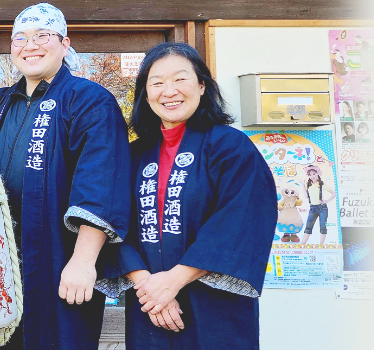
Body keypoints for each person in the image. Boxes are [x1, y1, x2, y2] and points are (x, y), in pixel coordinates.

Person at [0, 3, 131, 348]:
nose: (30, 45)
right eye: (20, 37)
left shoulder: (90, 101)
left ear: (64, 45)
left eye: (43, 36)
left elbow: (101, 185)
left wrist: (83, 262)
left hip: (58, 260)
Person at [97, 42, 277, 349]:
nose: (169, 91)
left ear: (202, 85)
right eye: (157, 83)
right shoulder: (134, 154)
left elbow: (240, 219)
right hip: (149, 307)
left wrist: (173, 281)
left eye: (180, 79)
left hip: (214, 305)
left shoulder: (231, 147)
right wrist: (150, 288)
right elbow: (115, 223)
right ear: (146, 93)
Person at [300, 165, 336, 245]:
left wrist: (327, 201)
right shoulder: (308, 185)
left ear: (317, 174)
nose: (312, 176)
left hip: (322, 208)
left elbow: (334, 193)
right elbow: (306, 196)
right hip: (313, 208)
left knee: (323, 226)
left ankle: (321, 245)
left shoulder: (322, 184)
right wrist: (302, 185)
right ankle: (302, 244)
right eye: (310, 175)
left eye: (314, 174)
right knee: (308, 226)